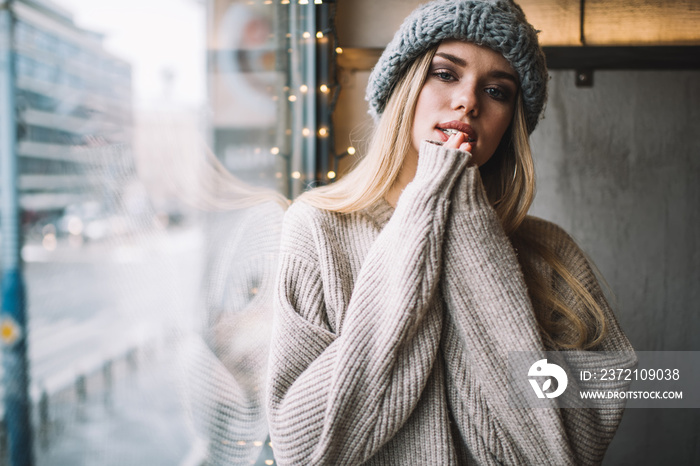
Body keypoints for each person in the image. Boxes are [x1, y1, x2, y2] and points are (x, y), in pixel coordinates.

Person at [266, 0, 636, 464]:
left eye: (498, 91)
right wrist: (427, 206)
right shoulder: (317, 228)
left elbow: (554, 452)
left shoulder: (551, 252)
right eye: (445, 74)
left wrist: (468, 229)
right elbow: (303, 450)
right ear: (403, 86)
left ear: (511, 123)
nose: (468, 101)